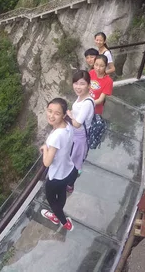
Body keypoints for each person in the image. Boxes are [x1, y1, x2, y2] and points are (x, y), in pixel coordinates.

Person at [40, 98, 78, 231]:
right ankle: (59, 214)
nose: (51, 115)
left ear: (63, 115)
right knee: (61, 194)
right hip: (67, 169)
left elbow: (47, 162)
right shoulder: (68, 126)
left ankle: (63, 221)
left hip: (56, 175)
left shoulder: (56, 136)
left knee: (51, 200)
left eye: (56, 113)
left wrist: (45, 148)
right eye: (49, 111)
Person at [66, 70, 95, 194]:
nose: (78, 87)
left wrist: (69, 115)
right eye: (76, 83)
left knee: (74, 162)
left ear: (89, 85)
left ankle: (70, 185)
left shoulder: (87, 103)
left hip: (79, 136)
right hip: (75, 134)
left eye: (82, 84)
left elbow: (77, 124)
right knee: (72, 158)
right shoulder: (81, 97)